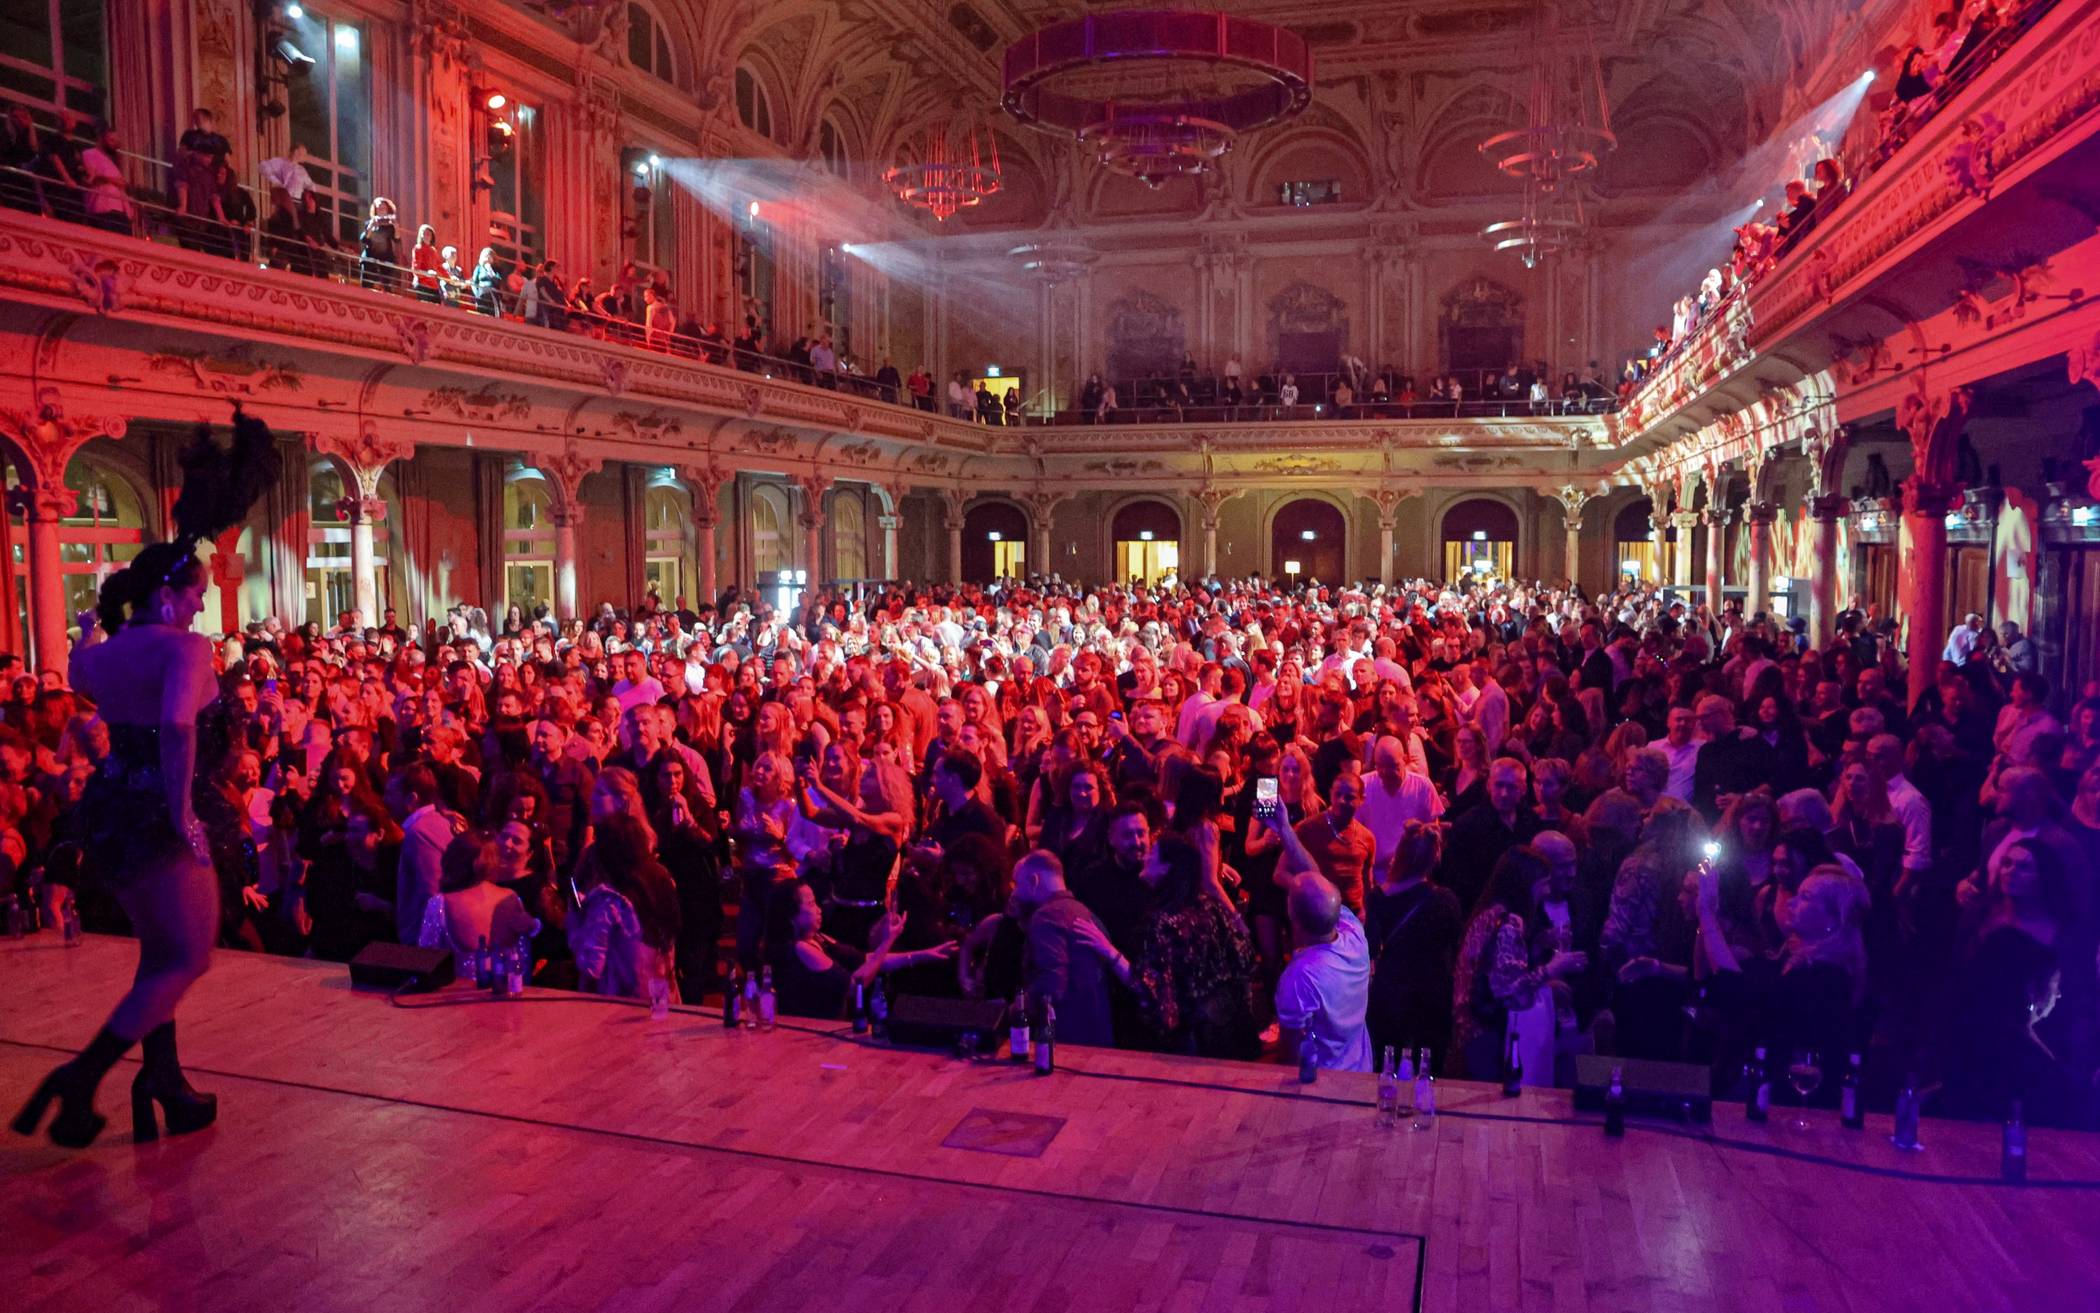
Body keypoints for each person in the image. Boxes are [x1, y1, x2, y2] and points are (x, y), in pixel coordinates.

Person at [13, 409, 279, 1148]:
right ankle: (80, 1079)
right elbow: (177, 728)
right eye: (195, 594)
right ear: (167, 597)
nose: (202, 604)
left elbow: (82, 672)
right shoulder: (184, 651)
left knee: (160, 955)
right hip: (159, 811)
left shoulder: (100, 656)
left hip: (110, 813)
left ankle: (163, 1079)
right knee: (187, 956)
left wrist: (89, 632)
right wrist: (183, 812)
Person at [1014, 850, 1117, 1047]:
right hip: (1098, 1036)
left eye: (1018, 884)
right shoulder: (1086, 914)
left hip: (1066, 1040)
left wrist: (1017, 1008)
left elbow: (1051, 984)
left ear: (1034, 881)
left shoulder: (1046, 917)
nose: (1016, 893)